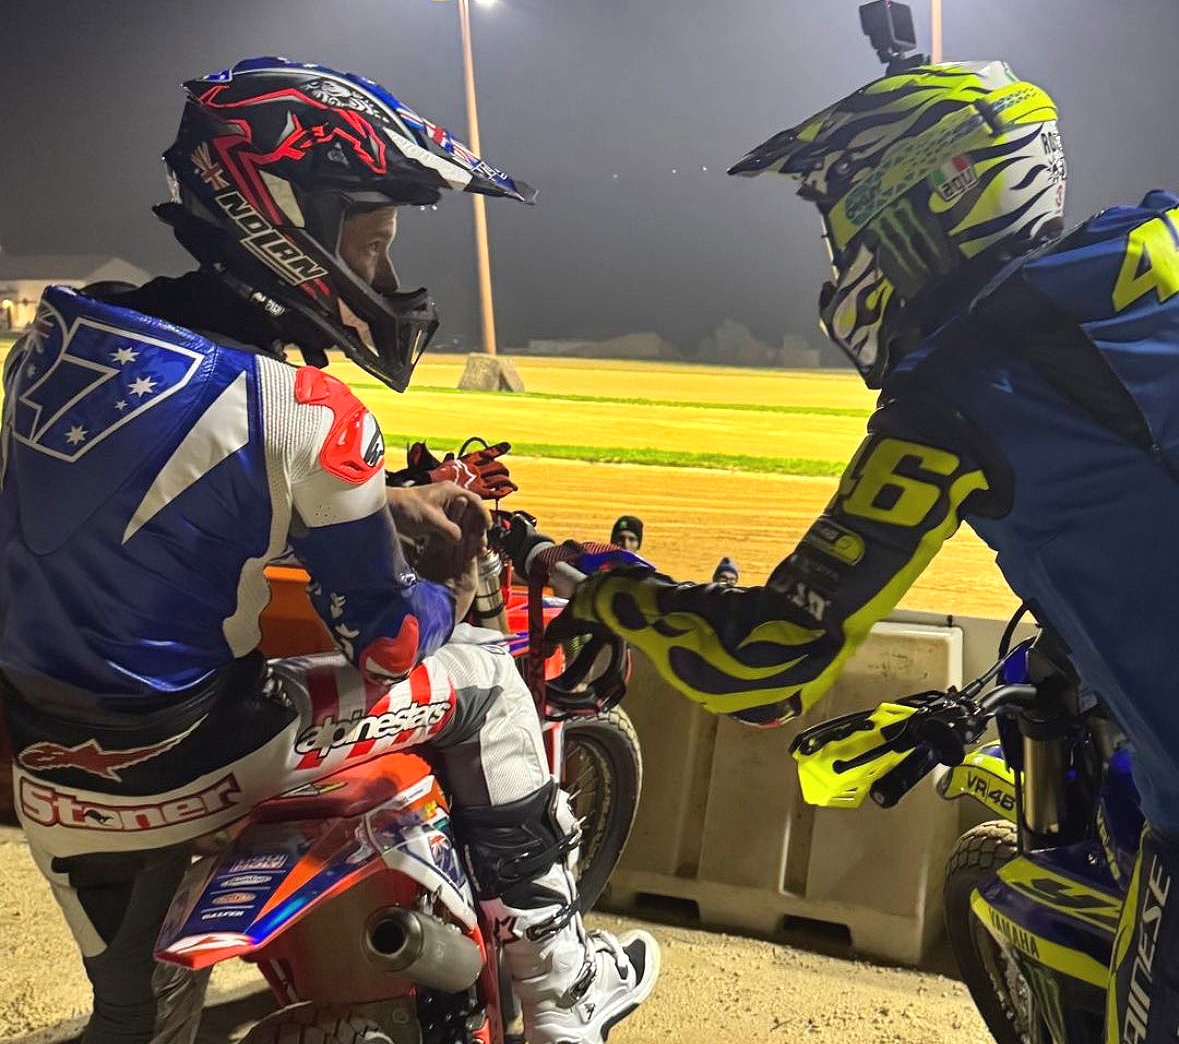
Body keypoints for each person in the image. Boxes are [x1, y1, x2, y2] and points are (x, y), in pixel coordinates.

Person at [0, 58, 656, 1044]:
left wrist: (382, 499)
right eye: (375, 243)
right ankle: (564, 997)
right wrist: (453, 584)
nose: (385, 277)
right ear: (285, 218)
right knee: (484, 677)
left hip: (47, 764)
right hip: (200, 752)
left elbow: (152, 482)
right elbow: (387, 643)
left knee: (132, 1026)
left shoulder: (57, 339)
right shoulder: (311, 410)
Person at [552, 58, 1179, 1039]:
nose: (845, 258)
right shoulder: (1154, 255)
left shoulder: (965, 386)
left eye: (849, 226)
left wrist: (606, 585)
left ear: (939, 196)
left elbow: (764, 656)